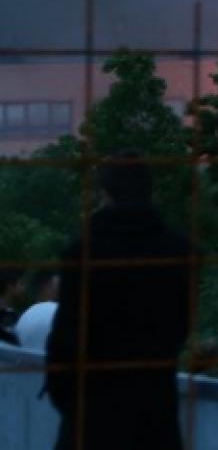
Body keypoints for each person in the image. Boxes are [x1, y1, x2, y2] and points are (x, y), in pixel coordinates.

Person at [44, 155, 192, 450]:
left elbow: (66, 340)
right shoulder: (179, 252)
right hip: (156, 418)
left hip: (92, 416)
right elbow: (179, 330)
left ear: (106, 193)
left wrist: (70, 400)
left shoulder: (83, 252)